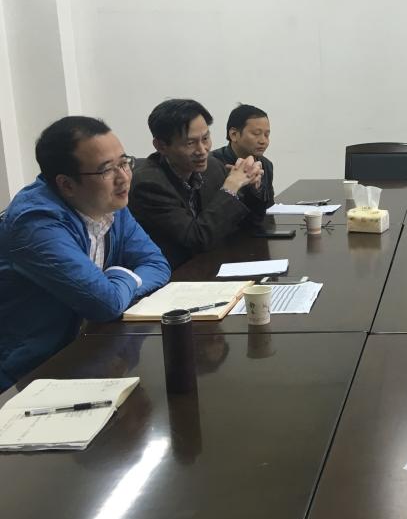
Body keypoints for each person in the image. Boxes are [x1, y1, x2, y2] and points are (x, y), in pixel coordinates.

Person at [0, 116, 170, 390]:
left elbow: (157, 264)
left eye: (124, 163)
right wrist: (124, 279)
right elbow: (104, 304)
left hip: (90, 352)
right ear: (66, 184)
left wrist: (116, 282)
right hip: (28, 375)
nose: (123, 178)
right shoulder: (34, 223)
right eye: (107, 170)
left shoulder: (107, 203)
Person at [129, 98, 265, 268]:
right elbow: (196, 239)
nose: (202, 150)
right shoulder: (149, 185)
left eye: (205, 138)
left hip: (211, 264)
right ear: (161, 146)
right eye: (190, 143)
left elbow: (248, 225)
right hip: (176, 273)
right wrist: (230, 188)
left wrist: (251, 186)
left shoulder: (212, 167)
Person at [211, 103, 274, 217]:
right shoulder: (212, 164)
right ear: (234, 134)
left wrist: (256, 190)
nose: (263, 141)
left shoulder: (265, 165)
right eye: (256, 134)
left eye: (267, 135)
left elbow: (269, 211)